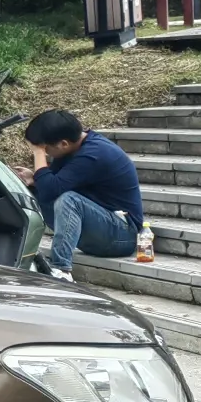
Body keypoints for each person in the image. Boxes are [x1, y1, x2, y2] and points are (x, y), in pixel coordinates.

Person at [13, 109, 143, 281]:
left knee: (69, 200)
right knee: (27, 192)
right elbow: (50, 187)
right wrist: (34, 180)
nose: (45, 154)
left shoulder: (94, 153)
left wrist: (38, 154)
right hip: (100, 229)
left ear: (64, 143)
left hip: (122, 236)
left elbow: (52, 190)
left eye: (45, 149)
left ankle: (61, 270)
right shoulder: (74, 147)